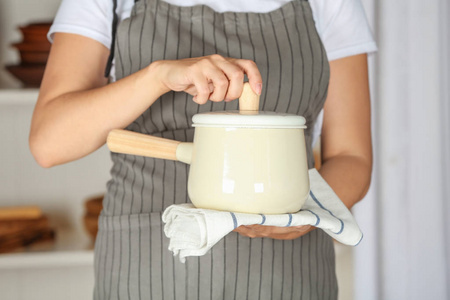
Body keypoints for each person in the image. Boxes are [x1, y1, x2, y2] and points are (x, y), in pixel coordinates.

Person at [29, 0, 376, 299]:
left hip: (288, 271)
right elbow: (49, 142)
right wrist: (157, 77)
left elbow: (352, 157)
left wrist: (308, 212)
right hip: (147, 265)